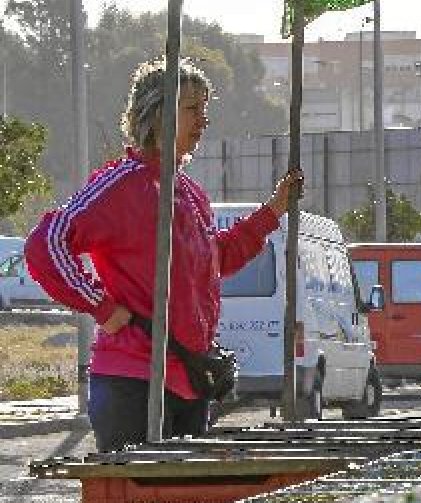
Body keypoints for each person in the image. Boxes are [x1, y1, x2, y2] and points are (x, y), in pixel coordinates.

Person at [25, 58, 303, 451]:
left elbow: (216, 259)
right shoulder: (122, 184)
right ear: (157, 113)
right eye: (192, 109)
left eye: (205, 111)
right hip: (133, 381)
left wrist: (271, 213)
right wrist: (101, 306)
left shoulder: (190, 193)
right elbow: (46, 244)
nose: (203, 121)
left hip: (191, 380)